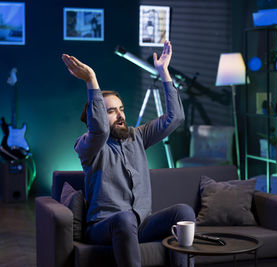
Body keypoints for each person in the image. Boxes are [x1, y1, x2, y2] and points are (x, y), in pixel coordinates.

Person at [61, 40, 195, 267]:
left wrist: (164, 73)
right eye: (111, 111)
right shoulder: (87, 146)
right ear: (96, 117)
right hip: (104, 226)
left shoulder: (137, 136)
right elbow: (100, 130)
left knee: (183, 212)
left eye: (121, 109)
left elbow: (176, 118)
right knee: (124, 218)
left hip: (141, 224)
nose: (120, 115)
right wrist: (91, 79)